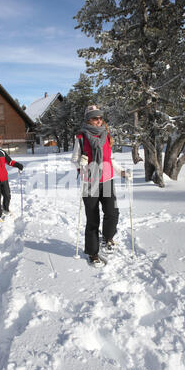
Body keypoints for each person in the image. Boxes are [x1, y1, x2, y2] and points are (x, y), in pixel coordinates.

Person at [72, 105, 131, 267]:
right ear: (88, 119)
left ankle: (107, 238)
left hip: (106, 179)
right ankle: (93, 253)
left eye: (100, 118)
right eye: (95, 118)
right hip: (89, 181)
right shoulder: (81, 137)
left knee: (112, 212)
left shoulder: (106, 135)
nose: (99, 121)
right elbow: (74, 158)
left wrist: (121, 172)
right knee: (93, 219)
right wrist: (81, 164)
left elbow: (109, 159)